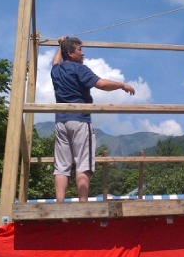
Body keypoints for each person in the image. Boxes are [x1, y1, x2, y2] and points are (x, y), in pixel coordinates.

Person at [51, 36, 135, 202]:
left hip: (61, 121)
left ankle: (59, 205)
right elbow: (101, 84)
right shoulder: (79, 68)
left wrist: (60, 44)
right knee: (84, 165)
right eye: (80, 50)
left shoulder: (57, 70)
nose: (83, 53)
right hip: (80, 120)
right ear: (70, 53)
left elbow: (55, 61)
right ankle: (83, 204)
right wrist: (121, 84)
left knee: (61, 166)